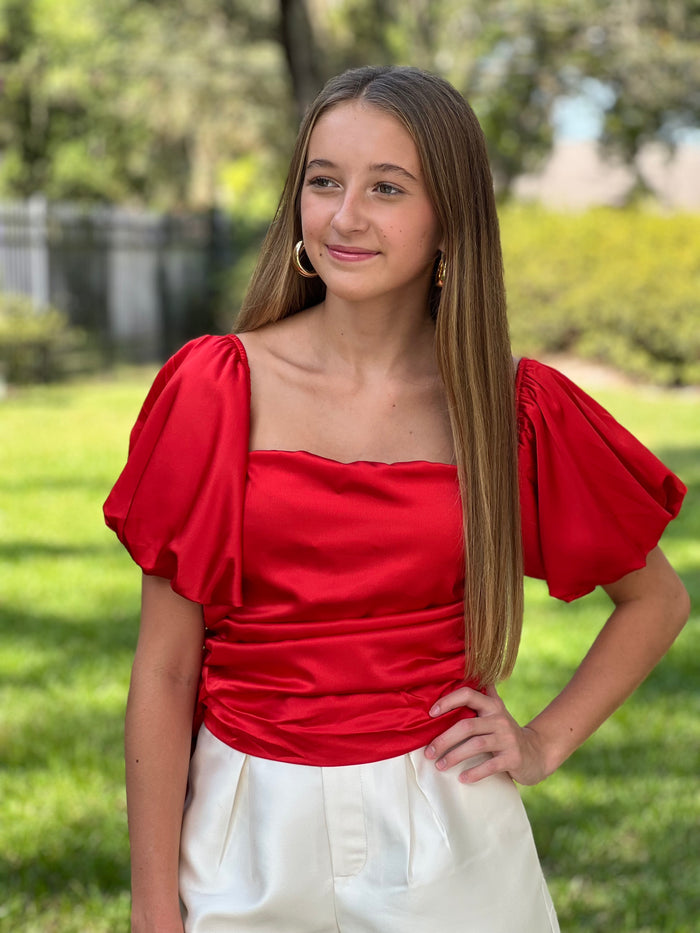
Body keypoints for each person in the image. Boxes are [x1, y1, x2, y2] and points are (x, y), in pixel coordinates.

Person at [104, 65, 689, 933]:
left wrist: (541, 740)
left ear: (448, 217)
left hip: (448, 829)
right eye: (324, 181)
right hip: (242, 830)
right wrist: (156, 915)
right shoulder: (217, 387)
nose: (346, 216)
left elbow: (658, 599)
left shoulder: (507, 409)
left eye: (387, 188)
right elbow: (163, 670)